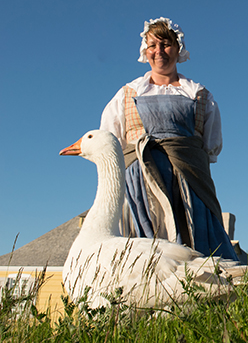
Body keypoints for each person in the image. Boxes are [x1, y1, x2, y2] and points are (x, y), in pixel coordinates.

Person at [100, 17, 238, 259]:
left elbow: (209, 149)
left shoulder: (198, 94)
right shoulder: (127, 93)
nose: (159, 51)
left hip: (188, 185)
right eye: (152, 45)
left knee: (195, 251)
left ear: (178, 48)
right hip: (139, 184)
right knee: (143, 254)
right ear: (145, 50)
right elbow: (110, 143)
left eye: (165, 44)